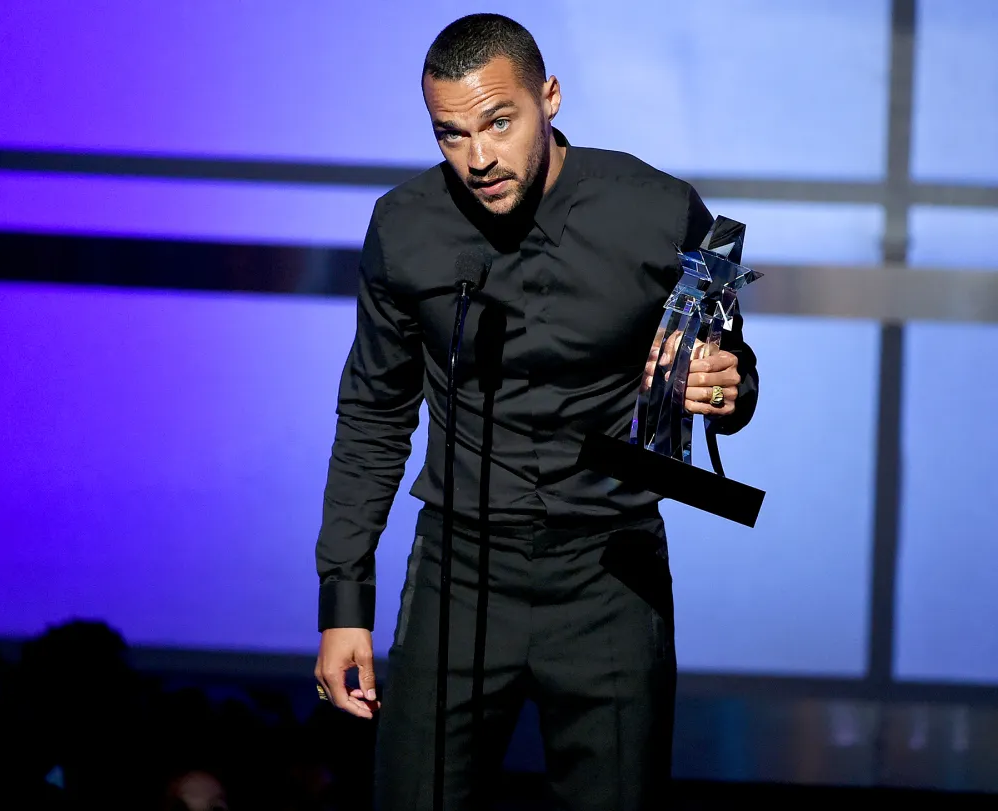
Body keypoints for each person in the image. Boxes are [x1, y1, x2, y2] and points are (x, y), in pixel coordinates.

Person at [313, 13, 759, 810]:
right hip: (459, 564)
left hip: (610, 568)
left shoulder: (658, 210)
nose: (478, 157)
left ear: (549, 97)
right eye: (451, 135)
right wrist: (343, 602)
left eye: (498, 122)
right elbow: (375, 411)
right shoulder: (404, 225)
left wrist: (723, 389)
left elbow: (732, 373)